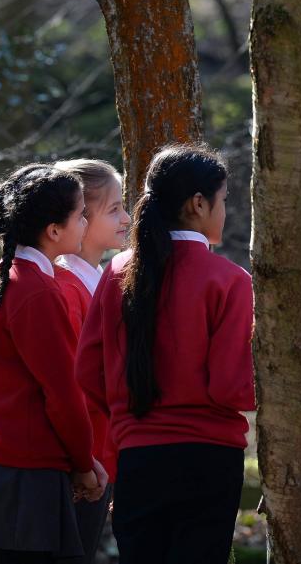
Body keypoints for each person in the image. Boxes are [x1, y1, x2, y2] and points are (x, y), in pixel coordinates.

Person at [75, 144, 254, 564]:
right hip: (209, 460)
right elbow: (230, 388)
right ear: (197, 204)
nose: (224, 211)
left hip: (138, 457)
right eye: (223, 200)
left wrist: (127, 415)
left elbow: (87, 369)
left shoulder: (118, 270)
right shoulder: (230, 280)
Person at [0, 164, 106, 563]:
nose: (85, 222)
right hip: (26, 477)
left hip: (0, 465)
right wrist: (84, 463)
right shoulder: (36, 290)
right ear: (53, 231)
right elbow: (63, 393)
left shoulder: (6, 273)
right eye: (81, 214)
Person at [53, 158, 130, 563]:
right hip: (82, 462)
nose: (127, 218)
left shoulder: (101, 280)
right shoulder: (66, 290)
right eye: (114, 209)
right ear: (80, 216)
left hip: (104, 455)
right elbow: (71, 386)